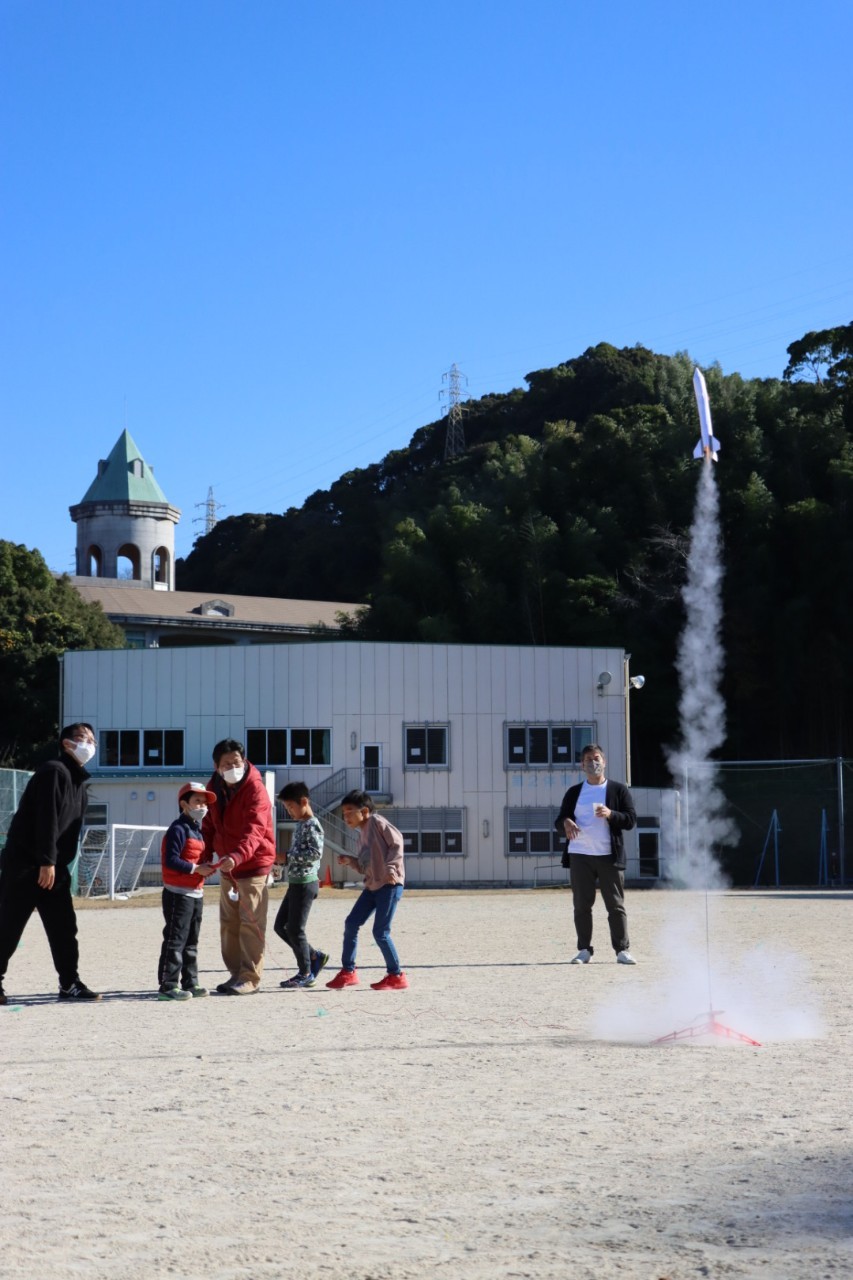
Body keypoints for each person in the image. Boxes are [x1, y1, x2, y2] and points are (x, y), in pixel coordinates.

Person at [0, 723, 102, 1003]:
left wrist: (57, 865)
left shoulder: (79, 782)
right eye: (84, 738)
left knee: (64, 928)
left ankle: (69, 983)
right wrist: (46, 861)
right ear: (67, 743)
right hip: (27, 864)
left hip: (54, 867)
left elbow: (69, 831)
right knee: (9, 925)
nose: (90, 744)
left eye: (93, 740)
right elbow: (47, 819)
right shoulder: (53, 771)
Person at [200, 738, 276, 995]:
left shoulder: (256, 789)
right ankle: (236, 974)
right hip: (227, 866)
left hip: (252, 864)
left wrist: (238, 855)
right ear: (216, 766)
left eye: (237, 761)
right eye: (227, 763)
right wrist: (204, 854)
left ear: (244, 761)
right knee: (228, 922)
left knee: (250, 922)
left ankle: (250, 977)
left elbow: (255, 829)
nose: (233, 766)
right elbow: (209, 824)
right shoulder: (213, 788)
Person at [554, 743, 638, 965]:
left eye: (597, 758)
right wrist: (566, 822)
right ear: (582, 765)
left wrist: (611, 814)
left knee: (616, 905)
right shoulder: (574, 792)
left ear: (604, 762)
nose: (593, 763)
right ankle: (584, 950)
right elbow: (559, 821)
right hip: (580, 855)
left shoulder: (618, 790)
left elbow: (630, 820)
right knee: (582, 905)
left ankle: (622, 950)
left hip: (609, 855)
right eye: (588, 759)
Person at [326, 789, 408, 991]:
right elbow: (364, 867)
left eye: (349, 812)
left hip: (389, 885)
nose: (346, 817)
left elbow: (397, 844)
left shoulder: (377, 822)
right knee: (351, 923)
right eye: (343, 813)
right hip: (372, 887)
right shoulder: (360, 836)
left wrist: (391, 868)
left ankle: (396, 975)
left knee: (380, 932)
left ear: (364, 811)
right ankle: (348, 972)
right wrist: (351, 861)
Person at [157, 782, 219, 1001]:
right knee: (175, 939)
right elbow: (170, 860)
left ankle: (190, 982)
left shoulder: (197, 830)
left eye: (204, 802)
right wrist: (195, 868)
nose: (202, 806)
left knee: (191, 940)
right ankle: (168, 985)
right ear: (184, 804)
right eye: (197, 801)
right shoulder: (178, 828)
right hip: (177, 893)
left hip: (195, 891)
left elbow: (195, 859)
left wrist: (205, 867)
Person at [273, 782, 329, 989]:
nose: (289, 811)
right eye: (287, 808)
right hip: (296, 883)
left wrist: (286, 857)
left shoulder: (312, 824)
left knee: (296, 929)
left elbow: (315, 854)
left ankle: (306, 972)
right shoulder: (301, 825)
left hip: (306, 884)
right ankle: (314, 956)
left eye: (291, 807)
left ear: (303, 802)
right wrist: (282, 862)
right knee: (281, 926)